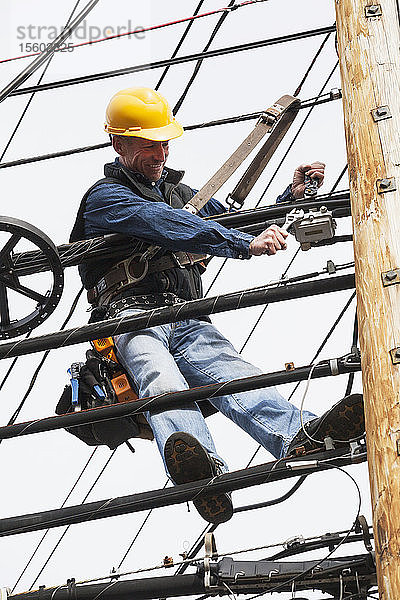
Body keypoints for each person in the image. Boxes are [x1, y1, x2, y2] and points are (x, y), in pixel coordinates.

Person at [72, 87, 364, 524]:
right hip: (132, 315)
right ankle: (201, 468)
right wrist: (244, 245)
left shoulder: (181, 192)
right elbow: (169, 225)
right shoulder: (106, 198)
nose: (161, 151)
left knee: (235, 376)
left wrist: (291, 195)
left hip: (187, 315)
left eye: (164, 141)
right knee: (160, 380)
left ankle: (299, 437)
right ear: (119, 143)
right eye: (149, 142)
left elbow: (232, 223)